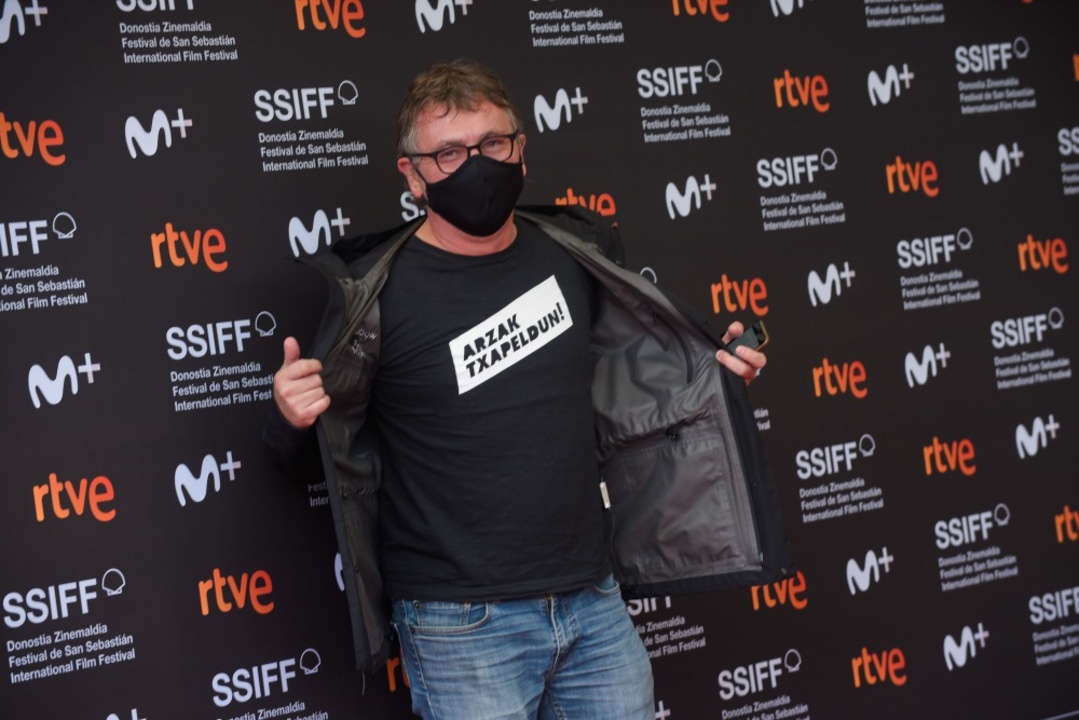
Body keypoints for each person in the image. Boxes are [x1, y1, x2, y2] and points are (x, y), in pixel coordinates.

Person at [265, 59, 790, 720]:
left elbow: (625, 385)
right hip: (461, 622)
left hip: (594, 600)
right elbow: (312, 457)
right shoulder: (373, 294)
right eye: (449, 153)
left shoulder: (572, 255)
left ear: (520, 149)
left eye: (492, 143)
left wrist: (712, 373)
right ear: (413, 174)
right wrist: (290, 416)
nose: (476, 165)